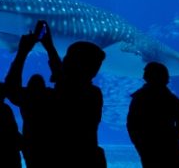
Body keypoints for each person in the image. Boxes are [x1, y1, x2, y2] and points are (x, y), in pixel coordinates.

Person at [8, 20, 107, 167]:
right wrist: (49, 46)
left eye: (66, 60)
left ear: (75, 66)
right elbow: (66, 81)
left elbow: (13, 91)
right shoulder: (94, 95)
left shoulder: (50, 99)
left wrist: (22, 52)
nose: (62, 62)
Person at [127, 62, 179, 168]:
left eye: (146, 72)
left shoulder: (139, 98)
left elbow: (132, 125)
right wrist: (170, 138)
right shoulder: (172, 99)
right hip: (170, 147)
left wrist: (140, 144)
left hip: (147, 147)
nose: (143, 75)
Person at [5, 40, 55, 168]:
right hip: (51, 142)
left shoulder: (25, 97)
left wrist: (22, 52)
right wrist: (49, 47)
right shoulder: (52, 98)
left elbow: (11, 86)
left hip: (30, 142)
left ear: (27, 88)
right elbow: (65, 84)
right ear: (46, 88)